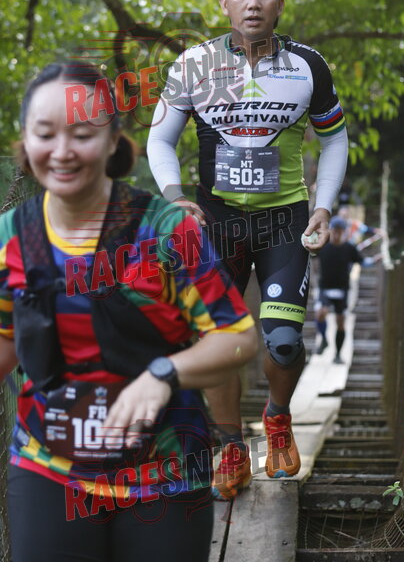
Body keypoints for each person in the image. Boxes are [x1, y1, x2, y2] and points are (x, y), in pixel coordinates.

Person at [0, 62, 257, 562]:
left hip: (164, 477)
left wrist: (164, 373)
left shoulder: (164, 230)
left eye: (81, 134)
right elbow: (7, 340)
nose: (62, 151)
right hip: (48, 470)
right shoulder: (11, 237)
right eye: (45, 134)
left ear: (113, 140)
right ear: (25, 143)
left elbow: (238, 337)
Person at [147, 0, 348, 497]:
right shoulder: (194, 64)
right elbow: (160, 138)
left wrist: (324, 205)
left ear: (280, 3)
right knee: (217, 340)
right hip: (216, 222)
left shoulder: (308, 65)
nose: (253, 2)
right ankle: (231, 446)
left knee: (283, 342)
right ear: (224, 3)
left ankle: (278, 418)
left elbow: (335, 139)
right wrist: (174, 197)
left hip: (285, 221)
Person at [315, 216, 377, 363]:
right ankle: (323, 339)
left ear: (344, 232)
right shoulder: (323, 246)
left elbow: (362, 262)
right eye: (335, 230)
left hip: (342, 290)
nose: (337, 234)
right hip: (325, 288)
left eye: (340, 231)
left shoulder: (349, 248)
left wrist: (375, 260)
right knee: (321, 313)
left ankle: (338, 355)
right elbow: (309, 256)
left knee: (341, 322)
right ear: (330, 230)